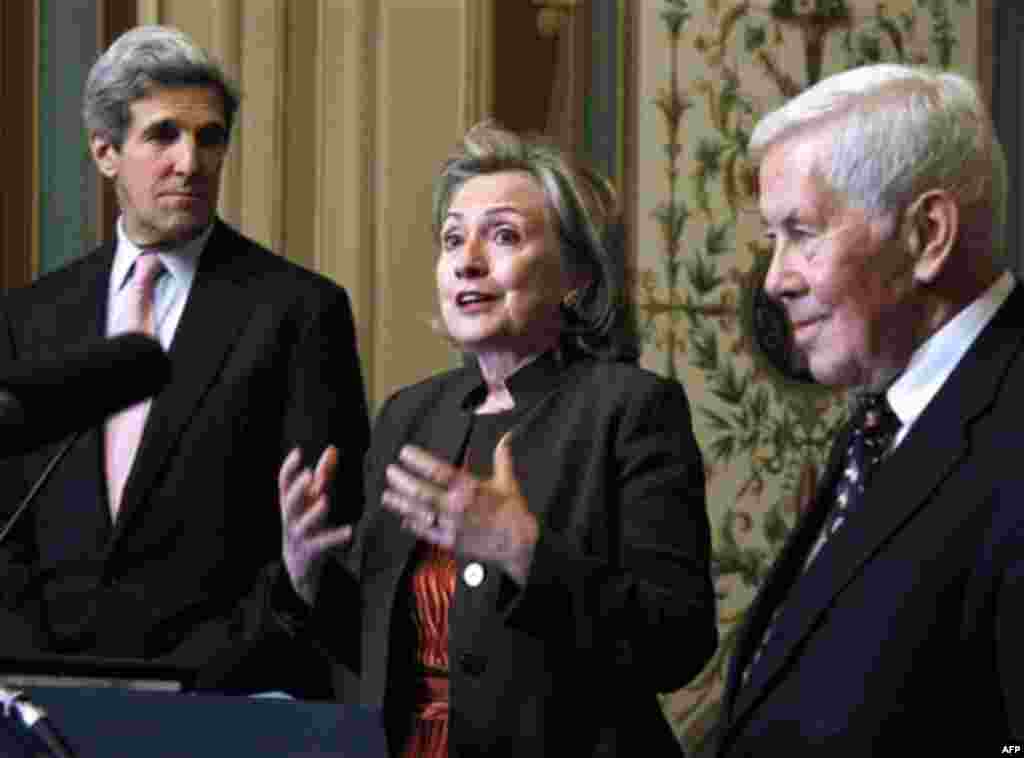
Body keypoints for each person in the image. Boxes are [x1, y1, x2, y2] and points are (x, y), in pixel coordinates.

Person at [268, 123, 716, 756]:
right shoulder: (409, 416)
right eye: (453, 238)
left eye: (503, 235)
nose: (468, 259)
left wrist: (524, 549)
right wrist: (306, 574)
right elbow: (379, 652)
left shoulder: (631, 409)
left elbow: (678, 643)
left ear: (576, 277)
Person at [0, 26, 369, 696]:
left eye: (210, 137)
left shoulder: (296, 310)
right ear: (106, 152)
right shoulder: (27, 319)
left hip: (229, 694)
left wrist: (199, 681)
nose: (190, 160)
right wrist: (38, 673)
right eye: (163, 135)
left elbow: (320, 529)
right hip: (42, 694)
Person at [711, 64, 1024, 754]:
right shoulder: (886, 418)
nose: (773, 280)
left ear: (927, 235)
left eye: (802, 232)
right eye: (773, 238)